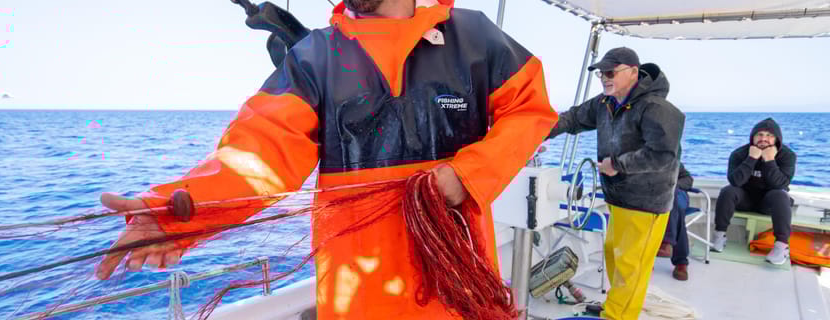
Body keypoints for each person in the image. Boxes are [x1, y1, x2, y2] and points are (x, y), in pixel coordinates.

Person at [94, 0, 559, 319]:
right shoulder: (314, 56)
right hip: (358, 300)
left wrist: (467, 174)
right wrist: (177, 213)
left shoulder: (474, 36)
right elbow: (261, 150)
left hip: (460, 288)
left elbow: (530, 109)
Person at [547, 46, 685, 320]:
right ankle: (617, 305)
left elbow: (662, 154)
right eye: (601, 73)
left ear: (633, 72)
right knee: (613, 254)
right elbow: (573, 118)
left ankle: (617, 316)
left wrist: (618, 165)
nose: (604, 77)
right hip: (619, 198)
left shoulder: (658, 108)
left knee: (630, 266)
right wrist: (540, 131)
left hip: (647, 203)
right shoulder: (605, 103)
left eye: (610, 72)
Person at [712, 117, 797, 265]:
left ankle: (781, 246)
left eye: (769, 135)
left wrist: (770, 161)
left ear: (777, 139)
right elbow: (735, 181)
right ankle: (719, 236)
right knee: (728, 191)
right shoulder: (740, 153)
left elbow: (781, 184)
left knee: (781, 195)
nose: (764, 138)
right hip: (745, 198)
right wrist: (751, 159)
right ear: (753, 137)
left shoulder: (787, 156)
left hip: (769, 202)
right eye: (760, 134)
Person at [656, 163, 694, 281]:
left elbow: (688, 180)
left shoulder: (670, 159)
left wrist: (672, 185)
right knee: (677, 215)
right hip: (654, 199)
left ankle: (667, 243)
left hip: (677, 195)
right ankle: (681, 262)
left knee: (672, 200)